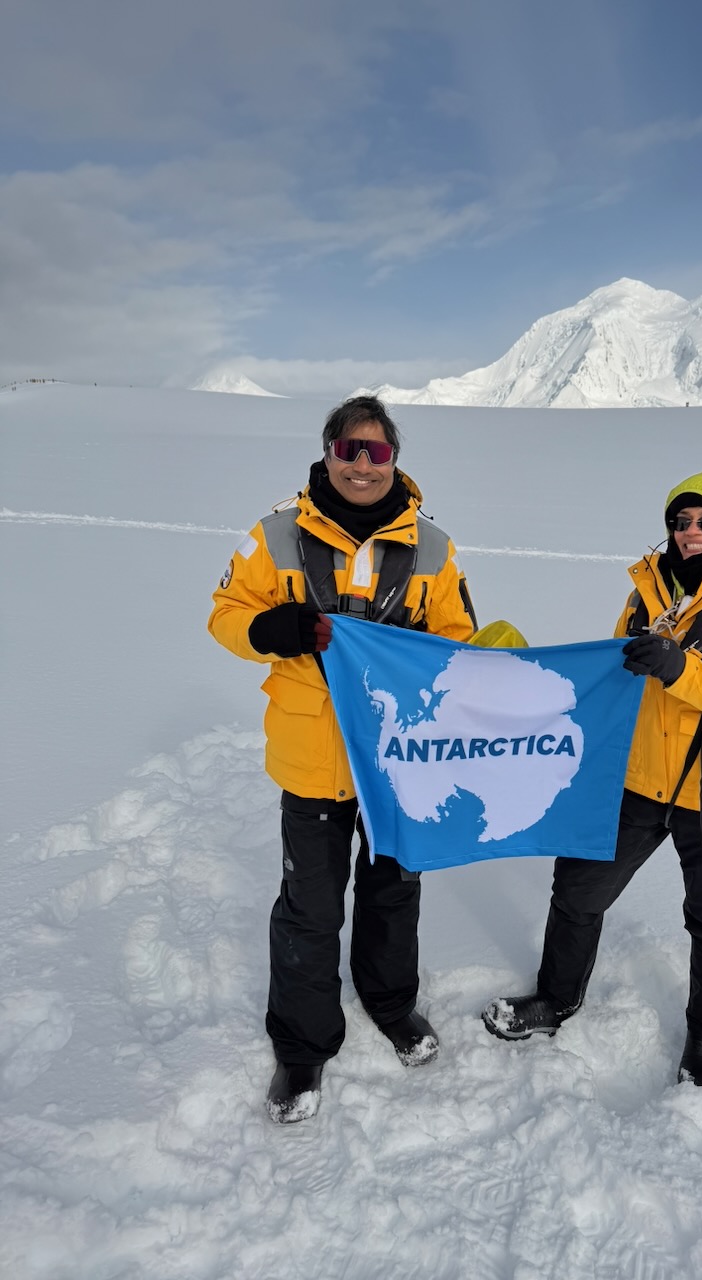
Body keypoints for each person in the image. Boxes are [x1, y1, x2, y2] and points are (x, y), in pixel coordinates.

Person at [482, 470, 702, 1086]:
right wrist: (533, 679)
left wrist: (682, 672)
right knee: (577, 891)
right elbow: (617, 681)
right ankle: (556, 999)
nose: (690, 534)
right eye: (680, 523)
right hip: (639, 780)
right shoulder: (645, 598)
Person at [209, 395, 477, 1123]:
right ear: (328, 453)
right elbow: (225, 614)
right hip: (312, 755)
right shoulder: (274, 535)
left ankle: (391, 1005)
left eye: (377, 451)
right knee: (310, 907)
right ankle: (301, 1047)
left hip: (399, 759)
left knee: (393, 891)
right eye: (348, 449)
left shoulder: (434, 547)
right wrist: (271, 627)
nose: (363, 464)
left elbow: (457, 636)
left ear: (396, 459)